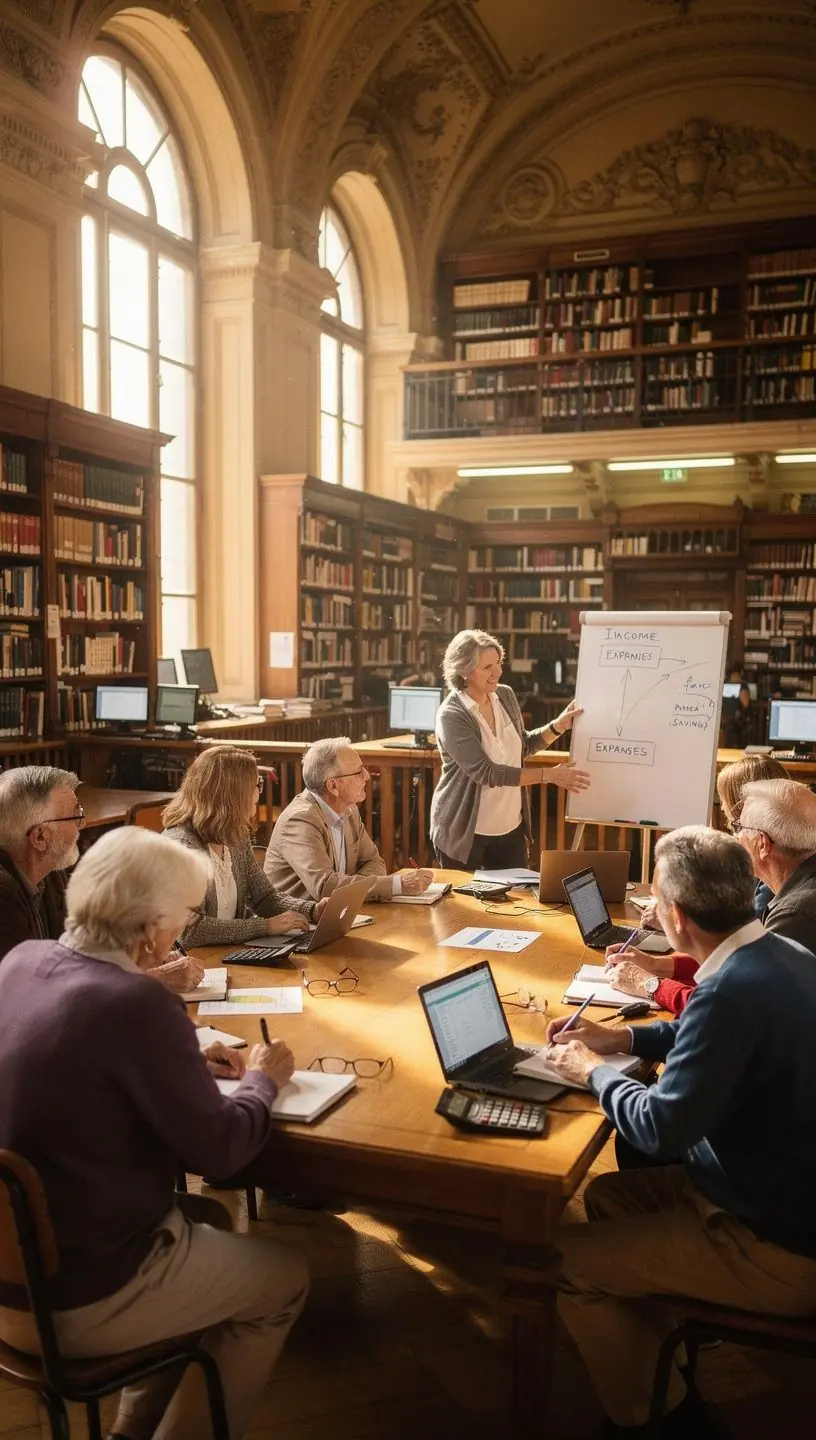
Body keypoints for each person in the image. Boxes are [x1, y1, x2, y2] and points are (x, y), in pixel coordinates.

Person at [0, 828, 308, 1440]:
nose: (180, 934)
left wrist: (186, 1063)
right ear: (148, 931)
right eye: (183, 919)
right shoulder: (137, 1004)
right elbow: (220, 1154)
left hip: (9, 1282)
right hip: (78, 1297)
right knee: (285, 1280)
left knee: (204, 1226)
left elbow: (75, 1063)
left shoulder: (19, 963)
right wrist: (263, 1082)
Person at [545, 826, 816, 1438]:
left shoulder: (728, 992)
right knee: (608, 1198)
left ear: (675, 913)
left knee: (562, 1263)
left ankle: (656, 1418)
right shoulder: (778, 955)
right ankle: (662, 1359)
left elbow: (659, 1129)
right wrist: (622, 1039)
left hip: (776, 1245)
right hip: (785, 1197)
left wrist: (591, 1071)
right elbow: (711, 1035)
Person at [605, 755, 789, 1015]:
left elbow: (726, 1007)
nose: (733, 834)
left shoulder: (783, 906)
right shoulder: (774, 881)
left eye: (732, 822)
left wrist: (650, 983)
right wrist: (656, 964)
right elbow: (729, 963)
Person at [429, 629, 589, 870]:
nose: (498, 672)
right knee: (461, 907)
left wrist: (558, 726)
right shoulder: (452, 714)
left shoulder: (504, 695)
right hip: (464, 832)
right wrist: (549, 775)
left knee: (515, 903)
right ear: (464, 671)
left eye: (498, 663)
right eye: (487, 668)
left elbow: (521, 745)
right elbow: (486, 772)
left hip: (510, 828)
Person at [164, 745, 323, 945]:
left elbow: (264, 898)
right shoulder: (181, 845)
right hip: (193, 966)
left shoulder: (236, 834)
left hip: (230, 955)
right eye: (257, 784)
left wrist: (312, 911)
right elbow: (189, 930)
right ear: (233, 794)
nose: (260, 791)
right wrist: (264, 927)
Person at [264, 736, 433, 901]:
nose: (367, 776)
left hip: (341, 914)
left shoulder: (349, 809)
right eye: (359, 772)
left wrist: (354, 889)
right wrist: (399, 884)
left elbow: (374, 862)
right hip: (298, 924)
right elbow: (325, 887)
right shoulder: (300, 820)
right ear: (333, 786)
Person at [0, 765, 81, 960]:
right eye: (76, 815)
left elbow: (73, 954)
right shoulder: (3, 895)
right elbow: (26, 984)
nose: (83, 823)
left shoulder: (51, 871)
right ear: (40, 837)